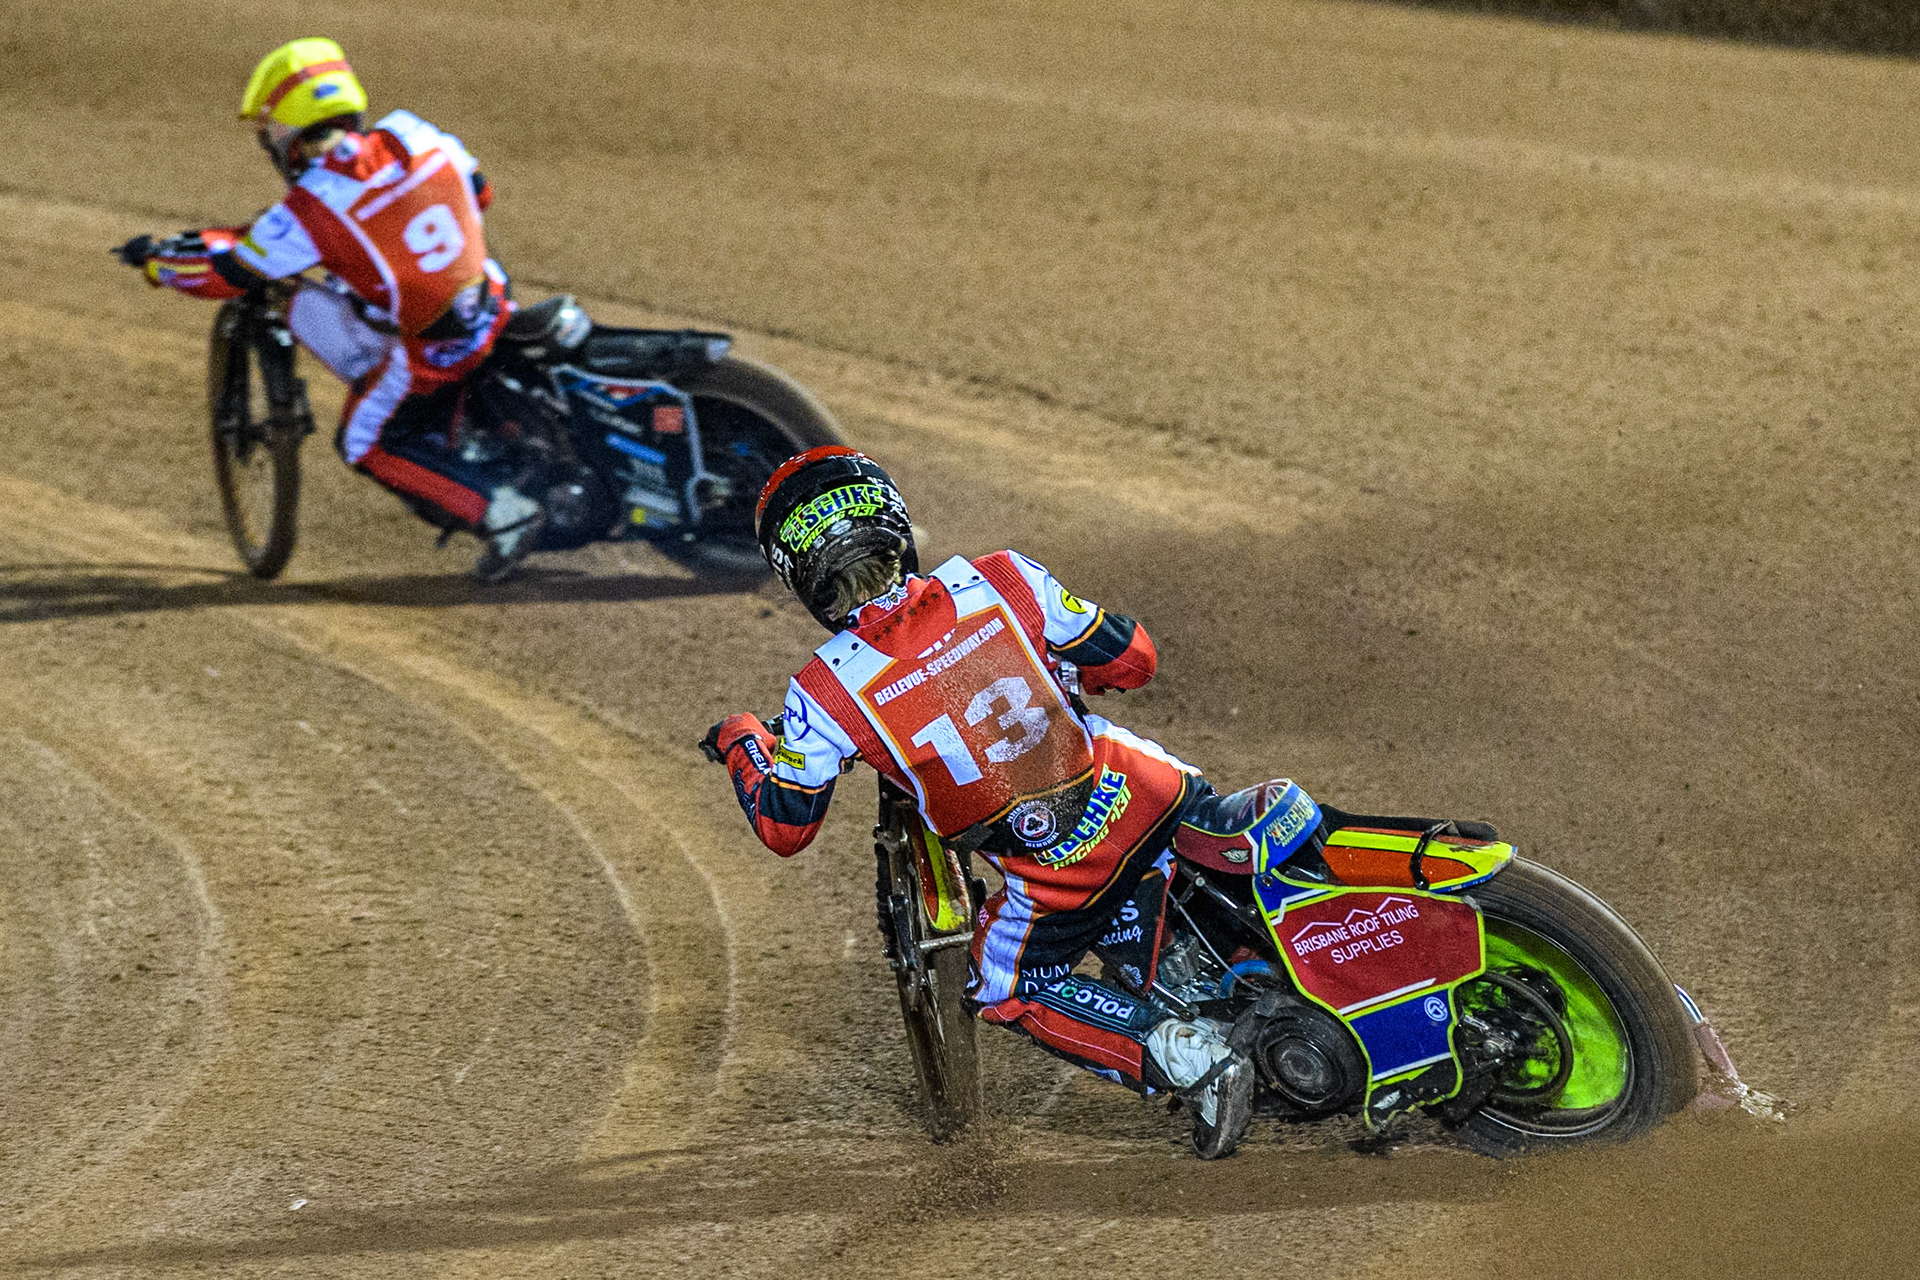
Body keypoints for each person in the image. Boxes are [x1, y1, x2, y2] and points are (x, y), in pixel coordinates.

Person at [704, 447, 1320, 1158]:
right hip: (1152, 792)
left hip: (1062, 871)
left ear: (800, 578)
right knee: (1202, 845)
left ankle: (1193, 1061)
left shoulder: (825, 692)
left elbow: (786, 827)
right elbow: (1136, 661)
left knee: (1002, 983)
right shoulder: (1001, 577)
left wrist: (741, 740)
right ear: (894, 522)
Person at [114, 37, 543, 579]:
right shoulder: (415, 131)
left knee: (365, 441)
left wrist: (157, 265)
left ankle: (503, 515)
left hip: (436, 351)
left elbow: (227, 273)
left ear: (288, 134)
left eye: (268, 133)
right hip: (494, 299)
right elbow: (479, 193)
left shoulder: (314, 205)